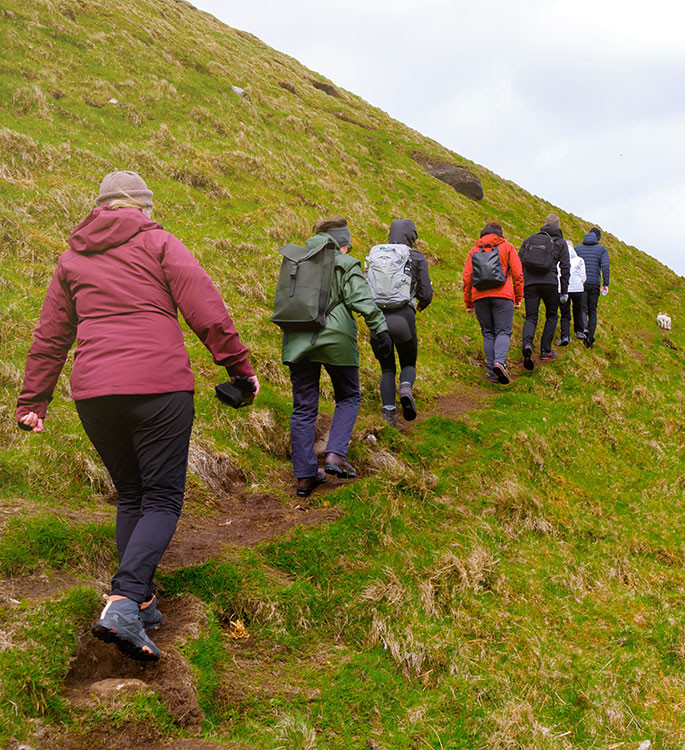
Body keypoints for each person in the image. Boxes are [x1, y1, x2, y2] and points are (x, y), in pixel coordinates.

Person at [16, 171, 258, 663]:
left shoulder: (71, 258)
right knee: (163, 498)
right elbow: (206, 309)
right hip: (158, 387)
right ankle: (124, 601)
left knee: (132, 493)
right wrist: (239, 367)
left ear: (99, 208)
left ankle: (142, 599)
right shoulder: (160, 243)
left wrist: (33, 402)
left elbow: (50, 336)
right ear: (142, 208)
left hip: (95, 394)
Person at [282, 217, 391, 494]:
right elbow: (362, 300)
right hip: (336, 342)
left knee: (304, 407)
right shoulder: (344, 263)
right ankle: (335, 455)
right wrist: (380, 329)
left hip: (298, 341)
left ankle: (305, 476)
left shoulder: (296, 261)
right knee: (349, 396)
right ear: (342, 244)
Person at [370, 219, 433, 427]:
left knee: (387, 369)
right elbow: (426, 294)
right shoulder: (415, 257)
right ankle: (405, 388)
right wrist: (419, 307)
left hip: (377, 320)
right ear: (411, 236)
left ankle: (388, 414)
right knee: (407, 363)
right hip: (404, 318)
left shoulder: (378, 254)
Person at [462, 221, 523, 384]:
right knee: (503, 331)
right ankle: (499, 362)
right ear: (500, 234)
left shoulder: (474, 250)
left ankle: (491, 372)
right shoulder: (507, 247)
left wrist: (468, 303)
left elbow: (467, 278)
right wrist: (518, 299)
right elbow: (518, 275)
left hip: (479, 296)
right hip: (503, 295)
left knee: (488, 332)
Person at [518, 213, 570, 369]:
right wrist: (564, 291)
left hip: (531, 284)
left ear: (545, 224)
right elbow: (565, 268)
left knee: (531, 317)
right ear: (559, 226)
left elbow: (519, 262)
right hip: (550, 284)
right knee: (552, 315)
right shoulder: (561, 243)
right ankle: (545, 350)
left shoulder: (530, 240)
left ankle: (527, 345)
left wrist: (523, 283)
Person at [574, 226, 610, 348]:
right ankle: (589, 339)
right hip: (595, 283)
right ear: (598, 238)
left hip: (581, 282)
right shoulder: (602, 250)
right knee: (593, 310)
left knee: (583, 308)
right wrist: (606, 283)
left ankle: (584, 328)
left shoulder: (577, 248)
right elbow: (605, 266)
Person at [557, 238, 586, 345]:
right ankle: (579, 331)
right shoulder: (579, 260)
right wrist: (579, 284)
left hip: (563, 288)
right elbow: (584, 276)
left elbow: (557, 274)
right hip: (578, 288)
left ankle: (565, 336)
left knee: (565, 313)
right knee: (578, 310)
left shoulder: (559, 259)